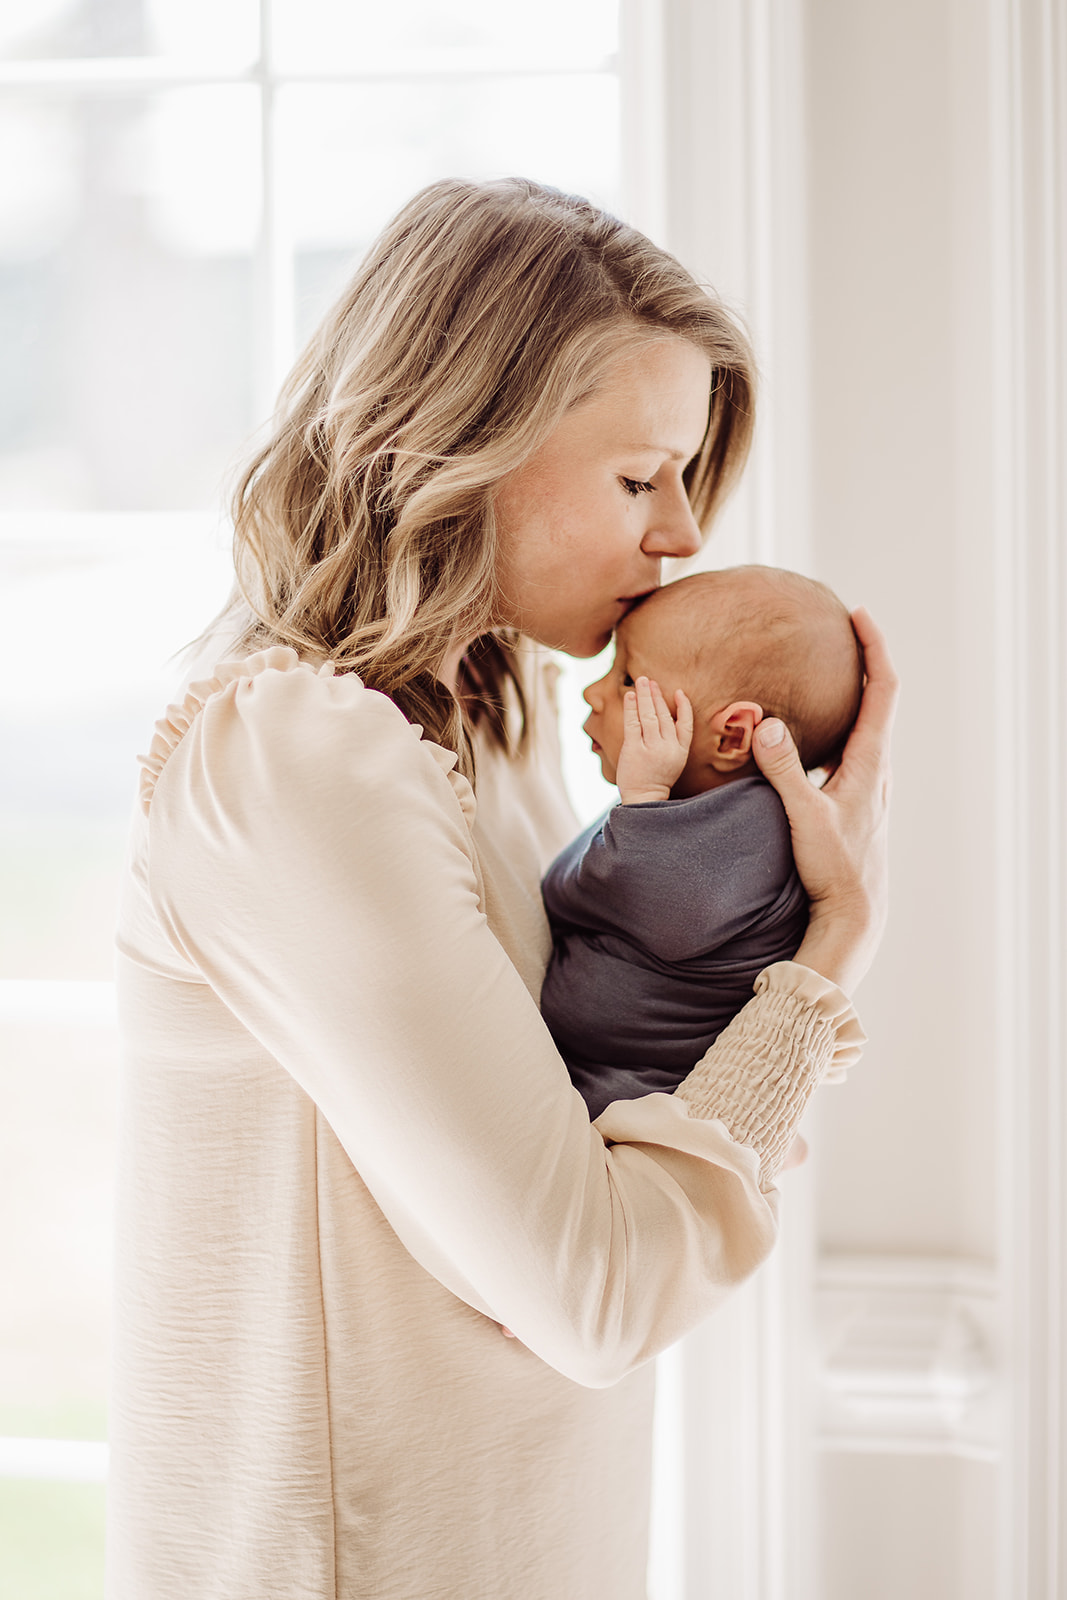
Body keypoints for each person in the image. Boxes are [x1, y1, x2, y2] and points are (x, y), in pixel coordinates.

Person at [107, 177, 896, 1600]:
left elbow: (630, 1136)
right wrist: (828, 947)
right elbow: (596, 1292)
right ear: (452, 444)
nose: (677, 537)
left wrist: (761, 869)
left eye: (681, 479)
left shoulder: (506, 731)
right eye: (635, 475)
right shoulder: (296, 764)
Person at [541, 566, 864, 1118]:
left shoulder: (758, 823)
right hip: (604, 1073)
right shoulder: (694, 813)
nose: (595, 693)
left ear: (732, 734)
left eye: (625, 680)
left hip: (647, 1095)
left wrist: (642, 795)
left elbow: (662, 907)